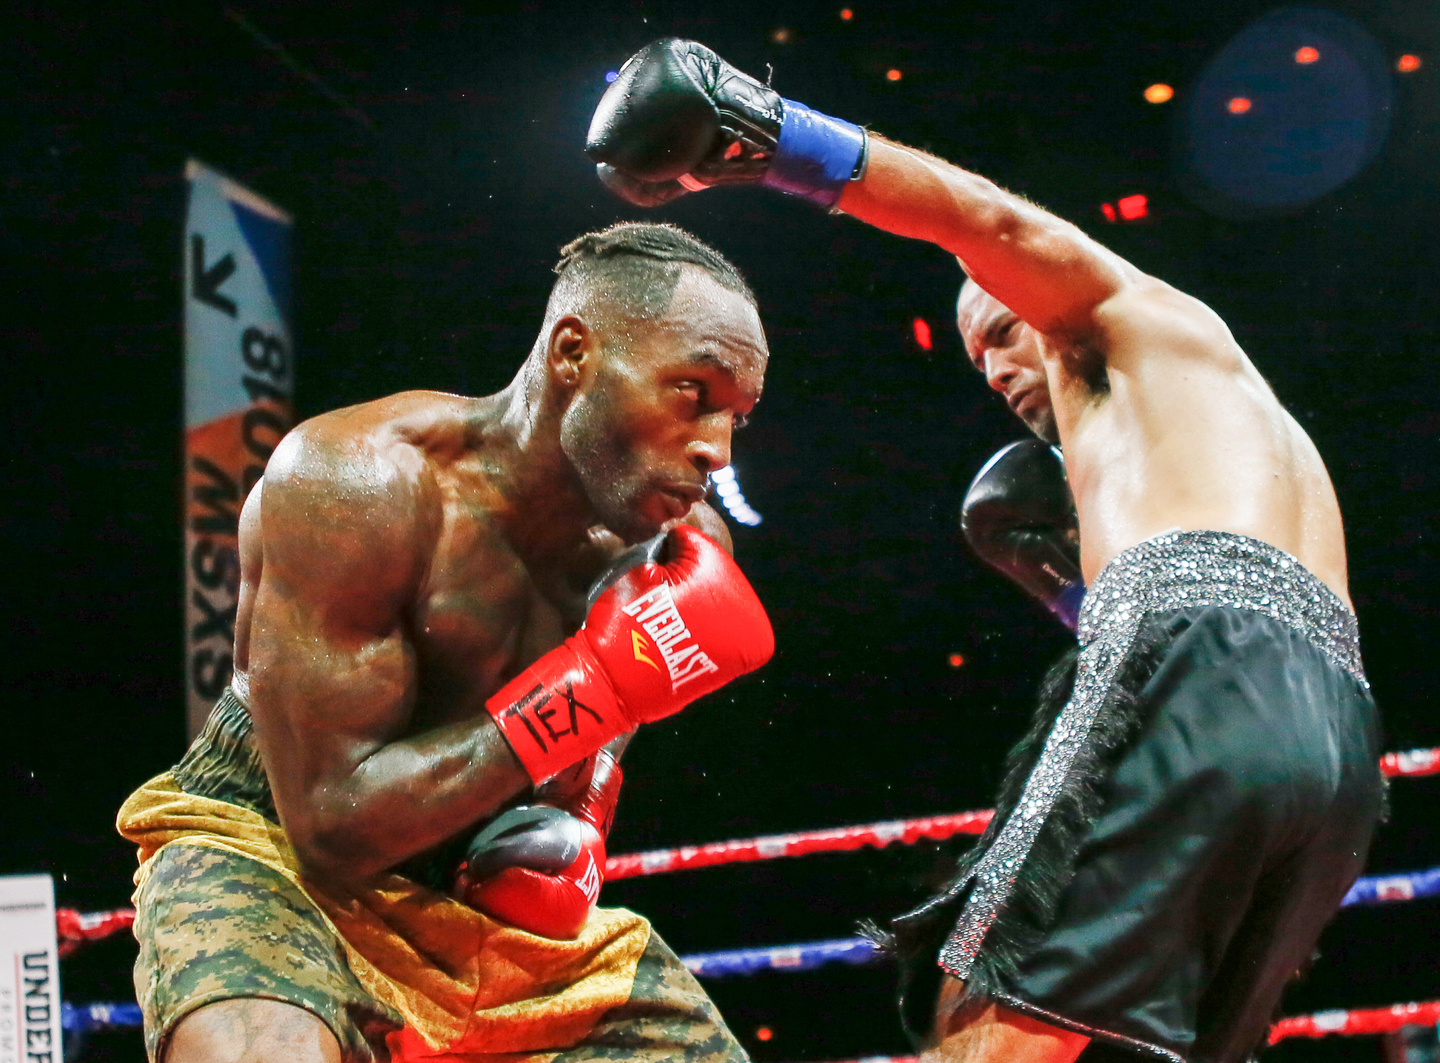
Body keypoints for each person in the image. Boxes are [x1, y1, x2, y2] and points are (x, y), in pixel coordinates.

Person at [586, 40, 1385, 1063]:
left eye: (1002, 331)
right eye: (975, 359)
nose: (996, 370)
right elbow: (1244, 670)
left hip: (1196, 653)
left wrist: (764, 139)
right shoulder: (1224, 429)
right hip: (1338, 738)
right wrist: (1074, 595)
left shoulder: (1126, 311)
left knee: (984, 1007)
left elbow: (985, 223)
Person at [117, 221, 775, 1063]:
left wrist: (575, 818)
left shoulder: (675, 549)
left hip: (465, 895)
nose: (716, 447)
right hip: (276, 855)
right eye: (692, 391)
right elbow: (331, 828)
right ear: (573, 353)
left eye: (736, 416)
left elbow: (593, 749)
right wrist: (596, 683)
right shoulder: (359, 483)